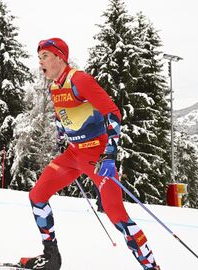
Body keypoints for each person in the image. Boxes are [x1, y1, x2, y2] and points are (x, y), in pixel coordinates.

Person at [20, 38, 160, 270]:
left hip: (96, 157)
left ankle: (152, 267)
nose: (40, 61)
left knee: (118, 217)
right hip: (73, 155)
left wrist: (110, 153)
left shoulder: (80, 80)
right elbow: (61, 115)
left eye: (45, 56)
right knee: (37, 195)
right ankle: (51, 257)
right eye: (39, 57)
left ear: (60, 57)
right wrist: (61, 139)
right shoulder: (55, 86)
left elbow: (113, 113)